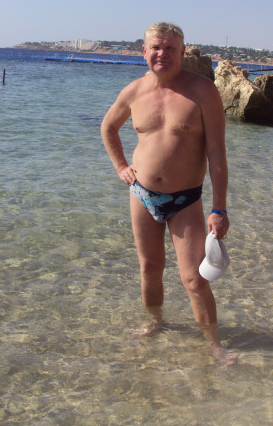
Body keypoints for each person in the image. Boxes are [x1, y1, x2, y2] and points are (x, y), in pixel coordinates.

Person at [101, 22, 236, 365]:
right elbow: (108, 127)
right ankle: (156, 322)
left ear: (182, 52)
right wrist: (121, 167)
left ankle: (214, 346)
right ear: (144, 51)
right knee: (150, 268)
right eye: (156, 47)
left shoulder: (202, 90)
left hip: (185, 200)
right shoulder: (133, 91)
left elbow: (217, 152)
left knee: (194, 279)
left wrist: (219, 209)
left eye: (170, 48)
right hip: (141, 194)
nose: (162, 53)